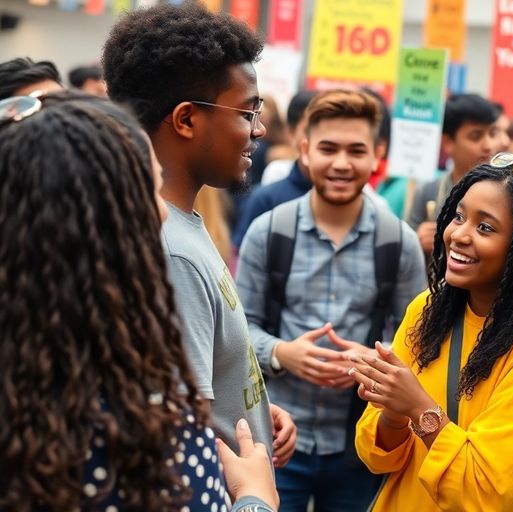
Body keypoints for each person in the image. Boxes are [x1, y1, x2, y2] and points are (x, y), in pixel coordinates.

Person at [0, 92, 276, 512]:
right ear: (114, 223)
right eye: (150, 190)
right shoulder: (148, 424)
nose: (164, 214)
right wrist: (256, 498)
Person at [351, 161, 513, 510]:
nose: (458, 235)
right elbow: (377, 458)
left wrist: (419, 408)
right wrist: (393, 414)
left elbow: (485, 495)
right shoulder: (428, 309)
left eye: (485, 227)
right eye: (459, 217)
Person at [102, 1, 297, 463]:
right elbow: (179, 434)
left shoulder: (181, 224)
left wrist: (252, 416)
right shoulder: (172, 252)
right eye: (247, 112)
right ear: (187, 119)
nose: (259, 128)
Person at [236, 89, 427, 511]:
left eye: (356, 150)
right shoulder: (269, 232)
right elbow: (235, 329)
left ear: (378, 154)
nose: (341, 163)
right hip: (276, 436)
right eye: (328, 148)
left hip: (361, 444)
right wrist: (282, 353)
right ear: (305, 151)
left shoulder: (399, 242)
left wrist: (378, 360)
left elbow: (420, 341)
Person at [405, 93, 499, 256]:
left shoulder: (505, 194)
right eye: (476, 136)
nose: (488, 145)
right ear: (448, 142)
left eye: (492, 134)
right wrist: (416, 241)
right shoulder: (428, 192)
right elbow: (404, 252)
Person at [233, 90, 316, 247]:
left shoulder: (362, 202)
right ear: (290, 133)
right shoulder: (265, 199)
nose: (318, 139)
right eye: (309, 131)